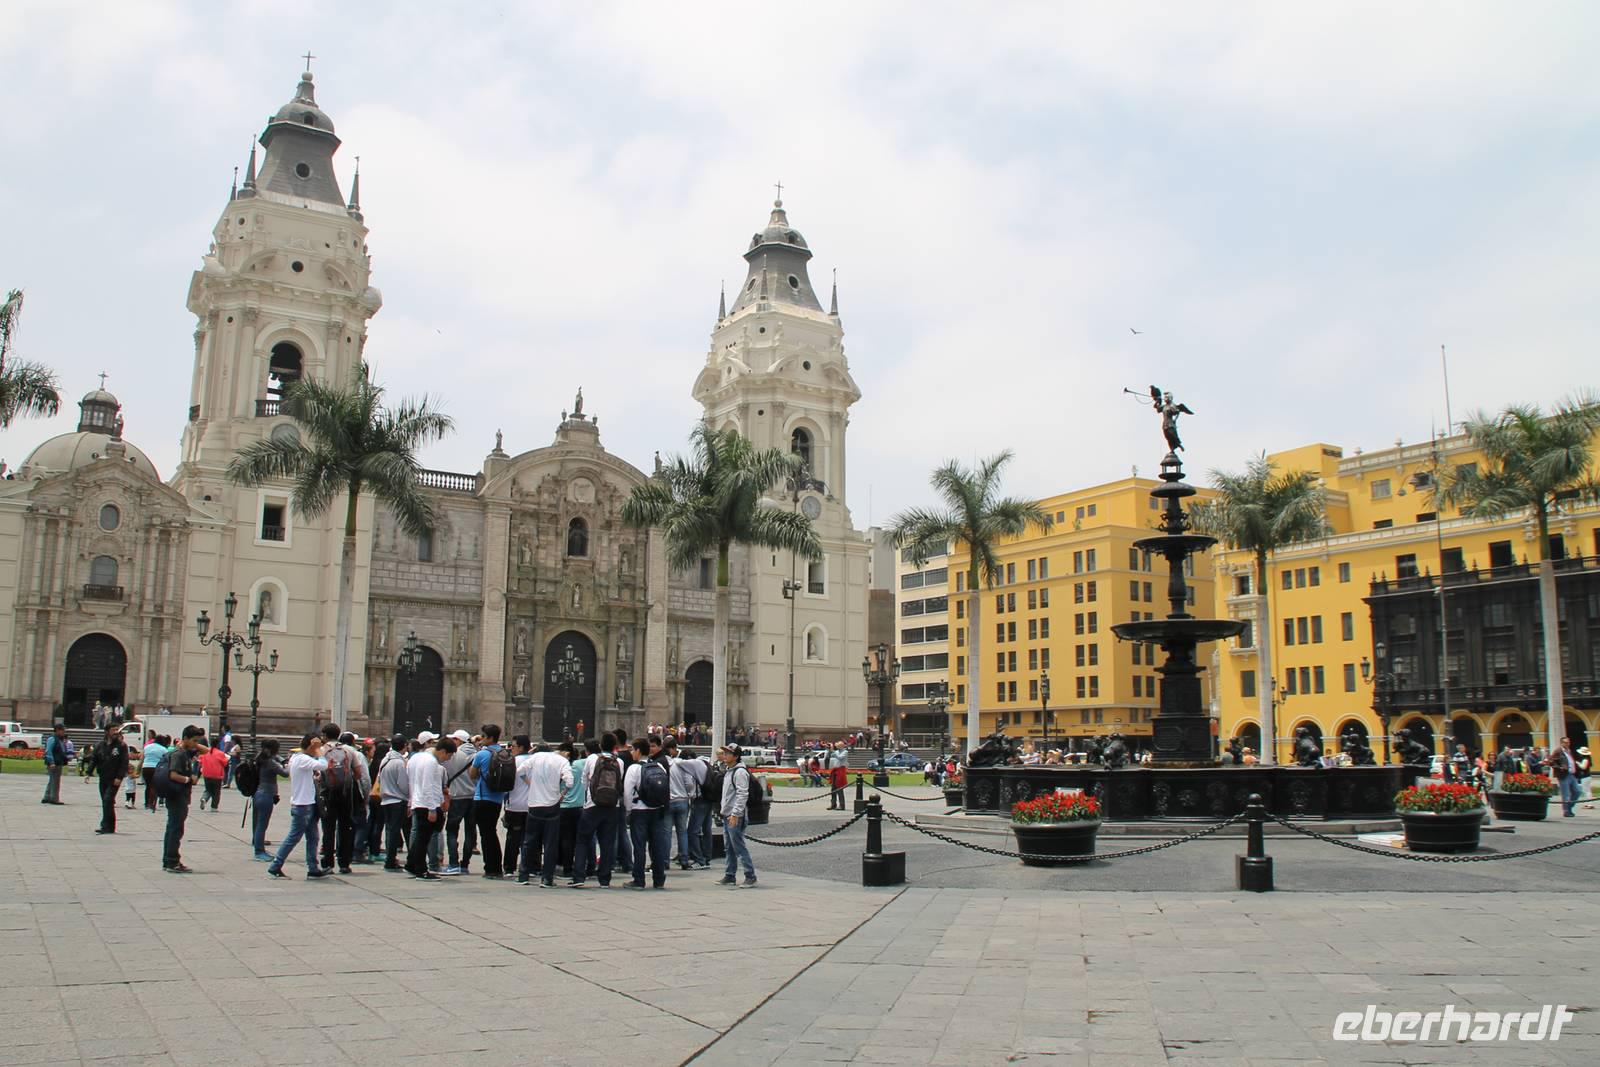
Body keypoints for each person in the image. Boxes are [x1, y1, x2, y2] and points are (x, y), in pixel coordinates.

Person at [267, 734, 332, 880]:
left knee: (313, 837)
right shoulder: (302, 759)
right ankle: (275, 866)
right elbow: (324, 765)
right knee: (293, 837)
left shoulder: (297, 758)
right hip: (303, 805)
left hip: (307, 802)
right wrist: (318, 751)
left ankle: (313, 868)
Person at [569, 733, 622, 888]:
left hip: (593, 806)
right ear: (614, 746)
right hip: (612, 807)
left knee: (583, 840)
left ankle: (579, 876)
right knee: (607, 843)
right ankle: (604, 879)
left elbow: (584, 780)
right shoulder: (618, 761)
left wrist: (589, 796)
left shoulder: (592, 758)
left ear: (600, 745)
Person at [518, 739, 573, 887]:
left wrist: (529, 783)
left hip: (535, 804)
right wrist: (562, 795)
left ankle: (523, 875)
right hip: (552, 805)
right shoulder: (561, 760)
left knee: (529, 841)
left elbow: (520, 771)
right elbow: (570, 782)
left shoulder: (534, 758)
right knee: (550, 844)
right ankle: (547, 878)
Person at [317, 727, 366, 875]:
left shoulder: (321, 750)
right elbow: (358, 773)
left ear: (325, 736)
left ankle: (328, 862)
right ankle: (344, 863)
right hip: (346, 795)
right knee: (345, 828)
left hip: (327, 795)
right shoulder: (349, 751)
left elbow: (317, 774)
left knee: (328, 828)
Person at [623, 737, 670, 889]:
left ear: (637, 751)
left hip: (639, 811)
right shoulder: (659, 766)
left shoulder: (633, 769)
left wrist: (628, 811)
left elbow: (627, 793)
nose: (631, 753)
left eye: (632, 750)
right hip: (657, 810)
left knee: (639, 846)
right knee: (657, 846)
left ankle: (639, 879)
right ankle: (659, 879)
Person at [406, 738, 456, 880]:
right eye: (449, 755)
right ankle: (421, 870)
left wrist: (411, 801)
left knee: (420, 837)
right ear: (443, 751)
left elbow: (411, 781)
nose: (448, 759)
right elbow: (429, 785)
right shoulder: (431, 762)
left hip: (418, 801)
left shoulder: (416, 757)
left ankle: (411, 864)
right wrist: (432, 808)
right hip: (427, 804)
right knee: (424, 839)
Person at [162, 725, 207, 873]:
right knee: (175, 829)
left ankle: (169, 860)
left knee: (173, 828)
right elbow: (173, 775)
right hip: (177, 795)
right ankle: (171, 861)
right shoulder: (179, 754)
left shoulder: (184, 751)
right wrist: (189, 779)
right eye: (194, 740)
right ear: (186, 738)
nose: (196, 744)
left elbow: (208, 751)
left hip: (180, 795)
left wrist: (194, 742)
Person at [467, 724, 510, 879]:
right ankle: (497, 866)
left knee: (486, 834)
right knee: (491, 832)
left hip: (483, 797)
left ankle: (491, 868)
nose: (482, 739)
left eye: (484, 736)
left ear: (490, 738)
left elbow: (472, 775)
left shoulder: (482, 754)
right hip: (497, 799)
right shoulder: (504, 752)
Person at [718, 743, 757, 888]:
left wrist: (735, 814)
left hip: (736, 815)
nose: (725, 755)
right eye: (725, 752)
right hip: (728, 814)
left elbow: (742, 794)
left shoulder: (739, 772)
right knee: (729, 847)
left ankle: (750, 875)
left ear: (735, 756)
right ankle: (730, 875)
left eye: (728, 753)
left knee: (739, 846)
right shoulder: (729, 770)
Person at [441, 729, 478, 874]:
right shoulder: (477, 754)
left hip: (457, 797)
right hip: (473, 797)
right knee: (470, 831)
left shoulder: (454, 755)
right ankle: (465, 865)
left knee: (451, 830)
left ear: (459, 741)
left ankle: (453, 863)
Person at [501, 735, 534, 878]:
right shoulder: (535, 762)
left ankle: (509, 867)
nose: (511, 749)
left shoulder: (512, 761)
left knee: (512, 838)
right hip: (532, 805)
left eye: (513, 746)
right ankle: (531, 866)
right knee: (531, 838)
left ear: (520, 747)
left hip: (514, 804)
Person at [663, 736, 698, 870]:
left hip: (669, 801)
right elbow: (689, 782)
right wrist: (688, 794)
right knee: (682, 832)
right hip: (683, 801)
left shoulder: (663, 764)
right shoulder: (681, 764)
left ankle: (665, 861)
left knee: (667, 833)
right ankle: (684, 860)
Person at [377, 735, 411, 871]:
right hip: (398, 800)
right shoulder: (399, 762)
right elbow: (403, 784)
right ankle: (392, 860)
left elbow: (379, 778)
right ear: (404, 745)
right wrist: (409, 796)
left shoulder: (385, 759)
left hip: (386, 799)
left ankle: (390, 859)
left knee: (391, 830)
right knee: (399, 831)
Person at [90, 725, 130, 834]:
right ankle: (109, 826)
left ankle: (106, 826)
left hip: (114, 778)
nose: (116, 732)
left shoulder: (121, 746)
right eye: (113, 730)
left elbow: (124, 762)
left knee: (108, 800)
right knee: (106, 801)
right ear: (107, 732)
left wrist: (119, 777)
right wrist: (88, 772)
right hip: (103, 777)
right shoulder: (100, 745)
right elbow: (94, 759)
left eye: (117, 730)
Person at [252, 740, 287, 860]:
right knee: (262, 824)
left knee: (258, 824)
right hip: (266, 795)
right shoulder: (270, 762)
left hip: (258, 793)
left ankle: (257, 845)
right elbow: (285, 773)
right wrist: (289, 764)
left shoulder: (260, 759)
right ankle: (259, 851)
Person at [558, 740, 587, 878]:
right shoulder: (581, 765)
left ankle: (567, 868)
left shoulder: (562, 767)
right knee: (579, 839)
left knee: (566, 838)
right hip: (580, 806)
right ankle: (581, 867)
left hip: (564, 806)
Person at [1553, 737, 1581, 817]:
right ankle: (1566, 811)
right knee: (1566, 794)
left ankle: (1569, 807)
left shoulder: (1569, 751)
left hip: (1572, 774)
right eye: (1565, 742)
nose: (1567, 744)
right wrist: (1560, 768)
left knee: (1577, 791)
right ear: (1561, 743)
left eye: (1568, 742)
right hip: (1564, 775)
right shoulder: (1558, 751)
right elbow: (1551, 761)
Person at [41, 723, 69, 805]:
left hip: (59, 762)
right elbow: (48, 751)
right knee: (55, 781)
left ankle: (47, 796)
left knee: (52, 780)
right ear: (58, 730)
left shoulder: (60, 739)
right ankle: (54, 798)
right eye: (63, 730)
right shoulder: (52, 739)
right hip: (54, 763)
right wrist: (51, 762)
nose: (64, 732)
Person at [197, 740, 229, 812]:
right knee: (216, 792)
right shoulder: (220, 753)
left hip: (206, 774)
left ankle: (204, 798)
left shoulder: (205, 752)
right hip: (217, 775)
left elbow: (200, 763)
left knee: (208, 789)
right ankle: (214, 807)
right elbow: (225, 763)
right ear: (218, 744)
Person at [141, 734, 168, 811]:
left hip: (145, 767)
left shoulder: (147, 747)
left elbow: (142, 758)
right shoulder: (163, 749)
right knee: (154, 786)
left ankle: (146, 803)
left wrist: (138, 769)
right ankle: (152, 804)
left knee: (148, 786)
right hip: (156, 768)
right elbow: (166, 761)